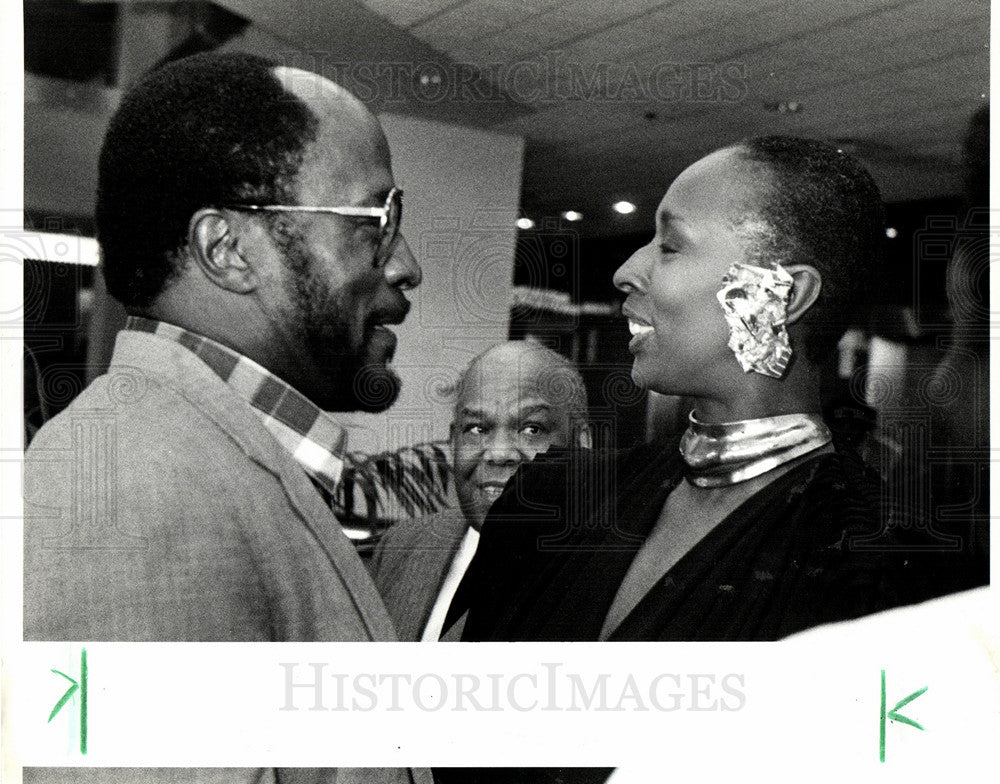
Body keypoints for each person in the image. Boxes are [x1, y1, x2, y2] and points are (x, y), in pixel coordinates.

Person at [453, 136, 939, 642]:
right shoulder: (551, 499)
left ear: (779, 295)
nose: (624, 273)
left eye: (669, 245)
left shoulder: (872, 567)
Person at [23, 51, 423, 646]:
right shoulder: (131, 495)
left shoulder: (197, 457)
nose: (406, 265)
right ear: (227, 251)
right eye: (375, 222)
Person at [371, 341, 592, 641]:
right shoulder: (402, 545)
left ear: (582, 443)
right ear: (453, 441)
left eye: (531, 429)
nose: (499, 453)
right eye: (477, 429)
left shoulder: (603, 570)